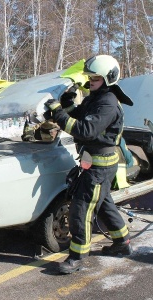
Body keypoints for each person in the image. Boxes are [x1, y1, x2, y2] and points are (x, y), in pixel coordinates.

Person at [44, 55, 133, 274]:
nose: (90, 80)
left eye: (95, 77)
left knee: (81, 208)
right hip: (96, 163)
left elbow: (85, 130)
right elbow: (82, 117)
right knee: (103, 205)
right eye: (90, 76)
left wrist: (58, 114)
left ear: (108, 78)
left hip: (99, 166)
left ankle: (77, 257)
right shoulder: (97, 97)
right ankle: (122, 243)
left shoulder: (108, 103)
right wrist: (67, 106)